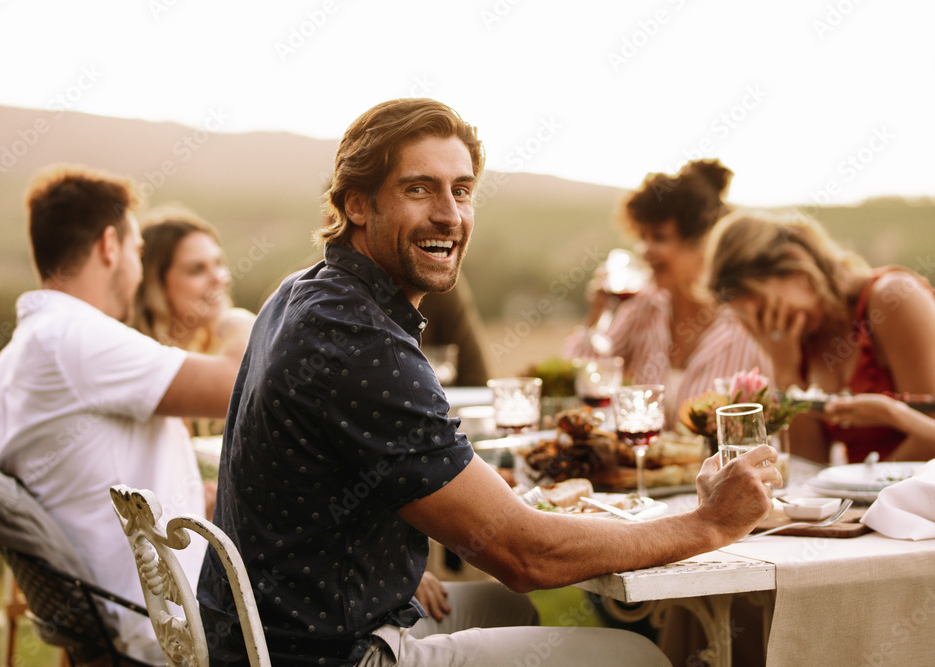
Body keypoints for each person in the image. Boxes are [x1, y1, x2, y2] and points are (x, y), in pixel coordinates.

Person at [197, 98, 780, 667]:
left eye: (463, 190)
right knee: (635, 654)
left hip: (267, 632)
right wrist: (710, 523)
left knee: (511, 609)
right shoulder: (359, 339)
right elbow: (525, 555)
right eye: (418, 188)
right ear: (357, 204)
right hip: (332, 652)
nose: (449, 214)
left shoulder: (304, 292)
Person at [0, 164, 246, 664]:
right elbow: (239, 382)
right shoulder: (74, 338)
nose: (138, 269)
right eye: (139, 251)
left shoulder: (3, 372)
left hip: (121, 634)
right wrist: (228, 313)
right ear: (109, 246)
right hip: (174, 635)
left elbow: (86, 486)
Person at [705, 209, 935, 463]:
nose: (768, 329)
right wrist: (785, 368)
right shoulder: (803, 338)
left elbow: (930, 429)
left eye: (763, 312)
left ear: (797, 266)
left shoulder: (894, 299)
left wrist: (869, 487)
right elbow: (811, 461)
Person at [565, 159, 771, 423]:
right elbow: (582, 382)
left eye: (659, 237)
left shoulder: (747, 324)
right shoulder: (643, 306)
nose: (644, 250)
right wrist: (597, 316)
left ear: (703, 243)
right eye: (642, 237)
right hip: (643, 462)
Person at [133, 204, 257, 436]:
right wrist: (240, 322)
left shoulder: (220, 348)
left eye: (218, 264)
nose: (218, 279)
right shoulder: (139, 355)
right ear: (155, 283)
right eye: (196, 270)